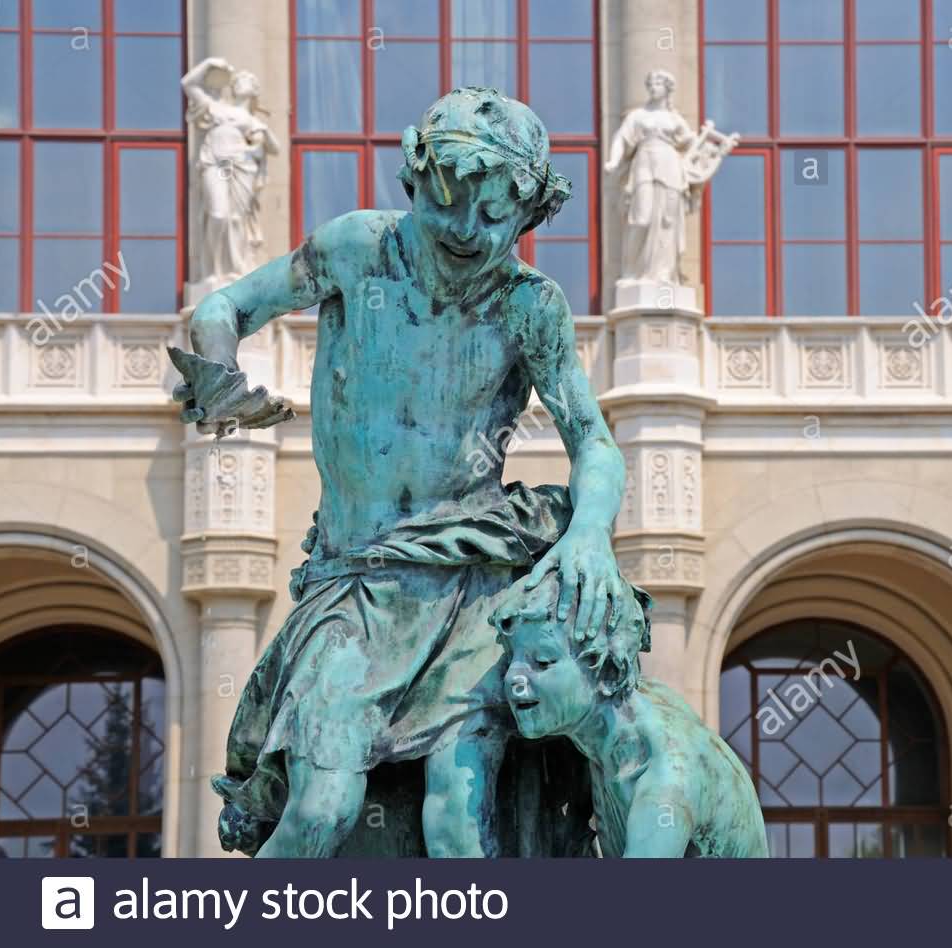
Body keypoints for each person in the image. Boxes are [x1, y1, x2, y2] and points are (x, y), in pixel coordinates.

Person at [170, 87, 637, 858]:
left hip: (468, 584)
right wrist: (217, 369)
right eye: (448, 204)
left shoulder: (531, 306)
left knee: (458, 821)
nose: (467, 231)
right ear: (414, 183)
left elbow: (595, 441)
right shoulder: (356, 249)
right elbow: (225, 308)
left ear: (528, 217)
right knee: (320, 806)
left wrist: (589, 533)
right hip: (354, 580)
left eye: (495, 217)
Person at [491, 573, 769, 858]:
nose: (514, 677)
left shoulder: (664, 782)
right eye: (512, 657)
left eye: (543, 661)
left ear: (609, 674)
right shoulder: (633, 712)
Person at [181, 58, 280, 287]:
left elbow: (275, 148)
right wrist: (209, 64)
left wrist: (261, 137)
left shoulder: (252, 120)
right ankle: (213, 270)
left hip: (241, 167)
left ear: (254, 90)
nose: (237, 83)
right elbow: (189, 84)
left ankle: (235, 269)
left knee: (236, 219)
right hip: (214, 164)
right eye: (236, 81)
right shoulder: (217, 107)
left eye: (244, 81)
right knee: (218, 214)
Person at [604, 69, 697, 285]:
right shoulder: (638, 116)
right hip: (644, 163)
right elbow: (621, 139)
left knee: (668, 220)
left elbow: (691, 142)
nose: (653, 88)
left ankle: (664, 273)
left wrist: (690, 162)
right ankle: (632, 272)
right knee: (641, 218)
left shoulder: (675, 119)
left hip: (670, 165)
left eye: (657, 84)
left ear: (667, 89)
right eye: (651, 84)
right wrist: (614, 161)